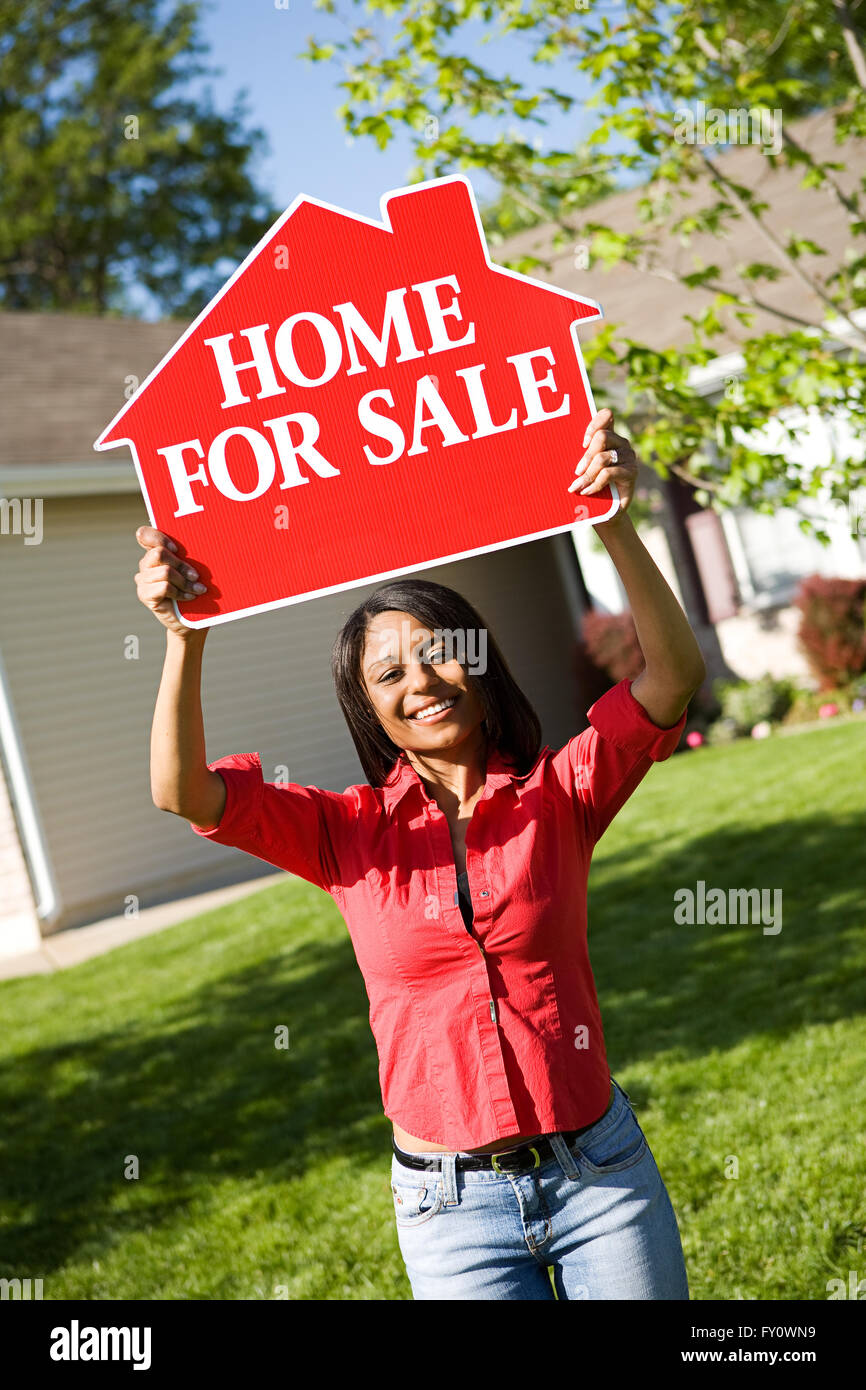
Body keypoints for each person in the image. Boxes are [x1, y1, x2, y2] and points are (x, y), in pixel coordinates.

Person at [134, 407, 705, 1300]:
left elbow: (671, 681)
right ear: (369, 709)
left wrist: (614, 525)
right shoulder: (340, 831)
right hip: (451, 1210)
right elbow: (183, 791)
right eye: (389, 673)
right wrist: (184, 638)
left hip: (599, 1173)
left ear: (477, 666)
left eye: (436, 654)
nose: (421, 682)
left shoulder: (561, 793)